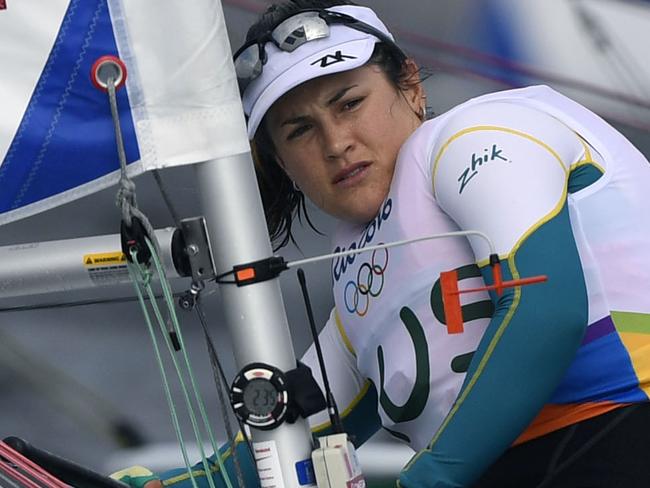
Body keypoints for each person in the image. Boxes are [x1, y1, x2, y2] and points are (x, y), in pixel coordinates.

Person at [115, 1, 650, 487]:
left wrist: (432, 476)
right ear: (280, 163)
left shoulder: (477, 137)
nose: (335, 142)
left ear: (411, 87)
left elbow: (547, 310)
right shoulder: (358, 281)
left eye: (349, 103)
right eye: (300, 131)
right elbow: (286, 437)